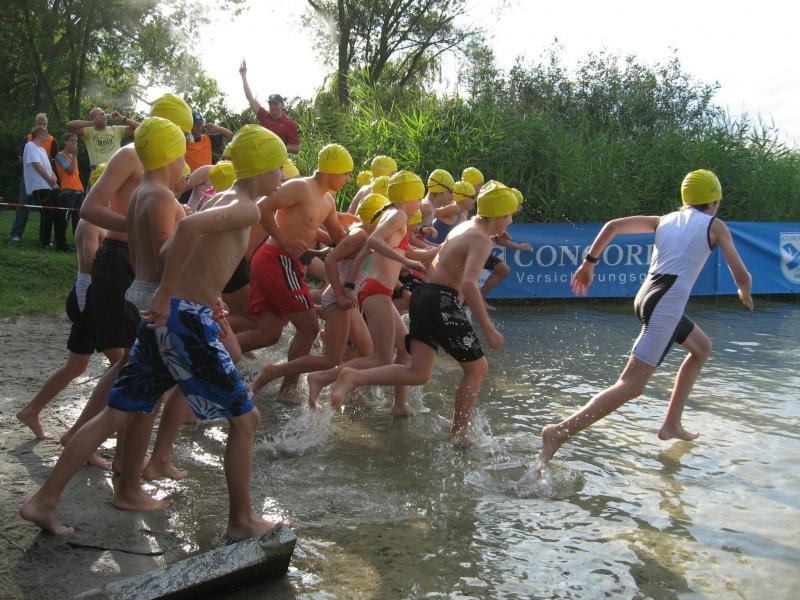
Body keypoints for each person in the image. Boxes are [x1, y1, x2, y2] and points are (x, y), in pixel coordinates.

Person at [20, 124, 286, 540]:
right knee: (246, 418)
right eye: (280, 167)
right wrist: (168, 294)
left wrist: (178, 289)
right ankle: (242, 520)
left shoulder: (226, 199)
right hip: (186, 319)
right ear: (264, 168)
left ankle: (44, 499)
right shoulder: (247, 209)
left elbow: (173, 245)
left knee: (117, 412)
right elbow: (185, 232)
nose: (283, 176)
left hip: (168, 317)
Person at [537, 169, 754, 469]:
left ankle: (672, 423)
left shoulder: (663, 220)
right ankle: (560, 431)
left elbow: (613, 226)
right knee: (631, 385)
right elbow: (740, 273)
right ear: (714, 201)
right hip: (665, 306)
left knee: (701, 348)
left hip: (647, 297)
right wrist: (745, 291)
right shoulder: (715, 226)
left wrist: (589, 263)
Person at [328, 181, 516, 444]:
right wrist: (488, 328)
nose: (510, 221)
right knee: (477, 368)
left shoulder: (464, 228)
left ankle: (354, 376)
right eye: (508, 216)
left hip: (424, 296)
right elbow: (470, 284)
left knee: (419, 372)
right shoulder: (481, 239)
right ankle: (459, 435)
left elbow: (443, 263)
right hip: (440, 300)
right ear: (497, 215)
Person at [66, 93, 192, 460]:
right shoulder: (130, 155)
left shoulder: (162, 167)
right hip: (118, 258)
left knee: (132, 362)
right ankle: (89, 440)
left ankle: (106, 447)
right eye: (180, 134)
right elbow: (90, 207)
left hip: (140, 262)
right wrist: (136, 227)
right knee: (131, 363)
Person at [307, 171, 435, 414]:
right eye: (419, 198)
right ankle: (322, 378)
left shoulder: (394, 216)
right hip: (377, 291)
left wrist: (438, 249)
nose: (420, 204)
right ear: (408, 197)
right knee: (381, 358)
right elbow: (373, 241)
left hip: (378, 291)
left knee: (405, 350)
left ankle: (400, 404)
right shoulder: (397, 214)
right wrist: (406, 263)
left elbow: (393, 250)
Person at [235, 143, 351, 399]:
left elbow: (337, 237)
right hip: (276, 259)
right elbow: (262, 207)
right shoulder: (301, 187)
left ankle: (214, 353)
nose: (348, 179)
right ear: (332, 171)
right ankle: (287, 389)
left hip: (288, 263)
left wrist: (366, 235)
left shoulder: (328, 200)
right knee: (309, 328)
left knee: (269, 333)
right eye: (346, 173)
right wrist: (282, 239)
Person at [250, 194, 385, 398]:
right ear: (377, 219)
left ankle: (348, 392)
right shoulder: (359, 236)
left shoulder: (367, 237)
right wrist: (340, 294)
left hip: (346, 300)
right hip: (339, 300)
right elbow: (331, 261)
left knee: (361, 350)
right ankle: (275, 371)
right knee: (331, 359)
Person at [16, 217, 123, 440]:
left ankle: (31, 411)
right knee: (121, 363)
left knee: (77, 365)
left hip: (100, 296)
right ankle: (89, 427)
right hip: (90, 298)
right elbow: (91, 262)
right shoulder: (92, 221)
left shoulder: (112, 220)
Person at [9, 114, 57, 242]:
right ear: (35, 125)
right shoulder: (28, 140)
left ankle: (44, 237)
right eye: (39, 123)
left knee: (46, 210)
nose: (41, 126)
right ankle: (16, 234)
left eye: (44, 124)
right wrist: (34, 171)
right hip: (30, 178)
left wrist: (51, 177)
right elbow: (23, 160)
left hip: (46, 180)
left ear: (47, 125)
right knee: (23, 204)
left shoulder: (52, 140)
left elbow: (53, 162)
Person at [239, 60, 300, 153]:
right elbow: (250, 98)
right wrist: (243, 75)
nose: (273, 106)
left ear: (282, 105)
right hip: (261, 157)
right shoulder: (264, 116)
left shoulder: (289, 124)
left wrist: (276, 145)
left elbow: (296, 148)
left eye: (275, 104)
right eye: (271, 104)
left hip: (278, 160)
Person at [22, 127, 67, 250]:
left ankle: (61, 243)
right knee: (47, 214)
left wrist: (54, 178)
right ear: (39, 134)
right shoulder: (30, 146)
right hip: (39, 186)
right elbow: (36, 164)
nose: (47, 139)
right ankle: (44, 242)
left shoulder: (42, 149)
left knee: (59, 213)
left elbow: (49, 167)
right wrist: (48, 178)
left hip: (50, 186)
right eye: (46, 136)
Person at [67, 108, 139, 178]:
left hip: (117, 171)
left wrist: (123, 118)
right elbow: (69, 125)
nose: (102, 117)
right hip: (97, 174)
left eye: (103, 114)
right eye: (98, 116)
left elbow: (141, 129)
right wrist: (93, 123)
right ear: (92, 119)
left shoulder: (116, 129)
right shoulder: (88, 131)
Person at [55, 133, 85, 234]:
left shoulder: (73, 157)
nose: (74, 143)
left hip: (79, 190)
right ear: (65, 142)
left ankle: (77, 240)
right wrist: (75, 156)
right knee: (65, 218)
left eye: (76, 141)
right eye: (72, 140)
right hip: (68, 190)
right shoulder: (60, 156)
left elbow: (76, 174)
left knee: (78, 220)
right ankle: (60, 240)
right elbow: (70, 171)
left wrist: (74, 156)